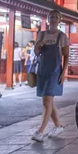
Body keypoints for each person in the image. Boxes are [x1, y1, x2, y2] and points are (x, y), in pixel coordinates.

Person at [32, 10, 69, 142]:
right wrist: (38, 46)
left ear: (59, 20)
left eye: (56, 17)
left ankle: (40, 131)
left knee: (46, 101)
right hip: (43, 70)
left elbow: (66, 56)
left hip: (54, 72)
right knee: (48, 101)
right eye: (51, 16)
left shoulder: (62, 36)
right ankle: (58, 126)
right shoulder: (41, 34)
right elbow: (36, 53)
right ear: (48, 19)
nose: (53, 19)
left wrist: (63, 72)